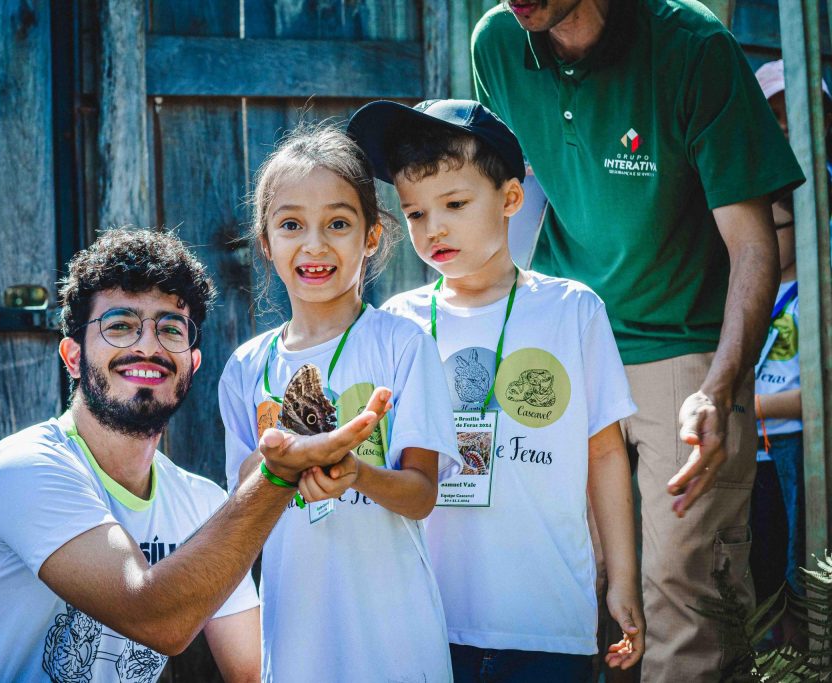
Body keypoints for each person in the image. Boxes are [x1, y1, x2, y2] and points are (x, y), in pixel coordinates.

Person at [471, 1, 805, 678]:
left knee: (683, 589)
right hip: (566, 341)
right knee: (574, 579)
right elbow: (512, 196)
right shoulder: (497, 43)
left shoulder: (694, 48)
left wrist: (721, 387)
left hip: (683, 344)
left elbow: (752, 246)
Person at [0, 228, 392, 682]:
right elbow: (154, 617)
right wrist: (278, 477)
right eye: (120, 326)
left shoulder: (201, 504)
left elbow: (251, 671)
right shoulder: (25, 470)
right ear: (73, 357)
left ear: (192, 363)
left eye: (170, 330)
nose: (147, 347)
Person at [350, 98, 644, 681]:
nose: (434, 229)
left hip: (547, 620)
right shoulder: (395, 323)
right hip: (426, 621)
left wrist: (626, 579)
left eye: (455, 204)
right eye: (414, 214)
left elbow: (606, 453)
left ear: (510, 199)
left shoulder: (572, 310)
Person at [220, 123, 460, 682]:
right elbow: (243, 503)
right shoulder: (245, 369)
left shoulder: (403, 346)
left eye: (338, 223)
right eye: (291, 225)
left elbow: (421, 495)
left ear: (371, 236)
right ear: (266, 242)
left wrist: (354, 472)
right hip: (298, 636)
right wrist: (285, 461)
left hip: (396, 637)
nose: (315, 245)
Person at [749, 59, 817, 602]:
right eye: (773, 113)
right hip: (752, 450)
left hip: (798, 444)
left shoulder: (818, 289)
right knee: (760, 567)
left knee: (803, 571)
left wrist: (750, 406)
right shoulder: (745, 287)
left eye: (777, 229)